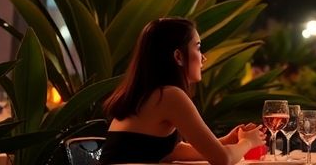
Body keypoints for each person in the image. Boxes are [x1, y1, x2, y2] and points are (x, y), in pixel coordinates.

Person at [100, 18, 265, 165]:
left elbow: (171, 152)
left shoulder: (147, 94)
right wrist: (248, 142)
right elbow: (222, 159)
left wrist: (225, 142)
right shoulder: (169, 96)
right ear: (178, 56)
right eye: (198, 48)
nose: (203, 58)